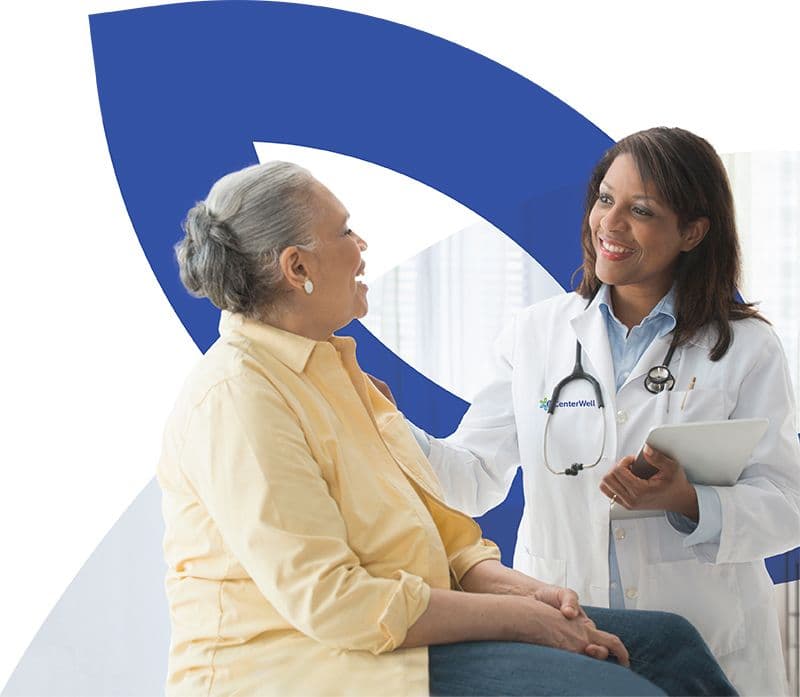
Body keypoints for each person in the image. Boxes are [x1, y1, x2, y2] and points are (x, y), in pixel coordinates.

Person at [157, 160, 736, 696]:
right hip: (305, 663)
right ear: (297, 267)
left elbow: (447, 535)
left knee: (669, 645)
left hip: (399, 632)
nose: (361, 247)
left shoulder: (335, 371)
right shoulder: (238, 397)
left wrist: (532, 594)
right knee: (613, 691)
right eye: (345, 232)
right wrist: (524, 620)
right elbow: (335, 604)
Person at [409, 127, 800, 696]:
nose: (609, 224)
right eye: (604, 199)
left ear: (692, 231)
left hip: (706, 640)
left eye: (640, 210)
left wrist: (687, 500)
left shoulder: (745, 348)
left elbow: (788, 504)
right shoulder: (535, 334)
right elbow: (471, 479)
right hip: (570, 632)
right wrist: (381, 421)